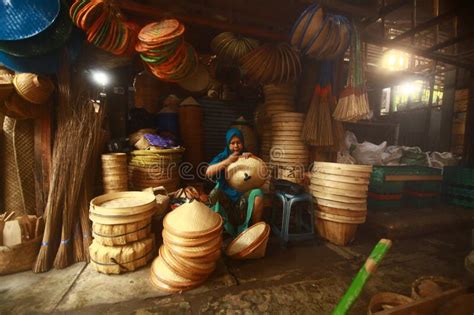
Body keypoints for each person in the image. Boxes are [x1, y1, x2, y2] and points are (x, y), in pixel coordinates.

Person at [206, 128, 264, 236]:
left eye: (239, 142)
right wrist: (227, 161)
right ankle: (222, 233)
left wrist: (253, 157)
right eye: (232, 143)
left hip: (243, 192)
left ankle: (255, 232)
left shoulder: (246, 155)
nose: (236, 146)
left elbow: (262, 168)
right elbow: (208, 172)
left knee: (258, 194)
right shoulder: (222, 156)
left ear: (242, 143)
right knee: (215, 194)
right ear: (228, 144)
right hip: (226, 191)